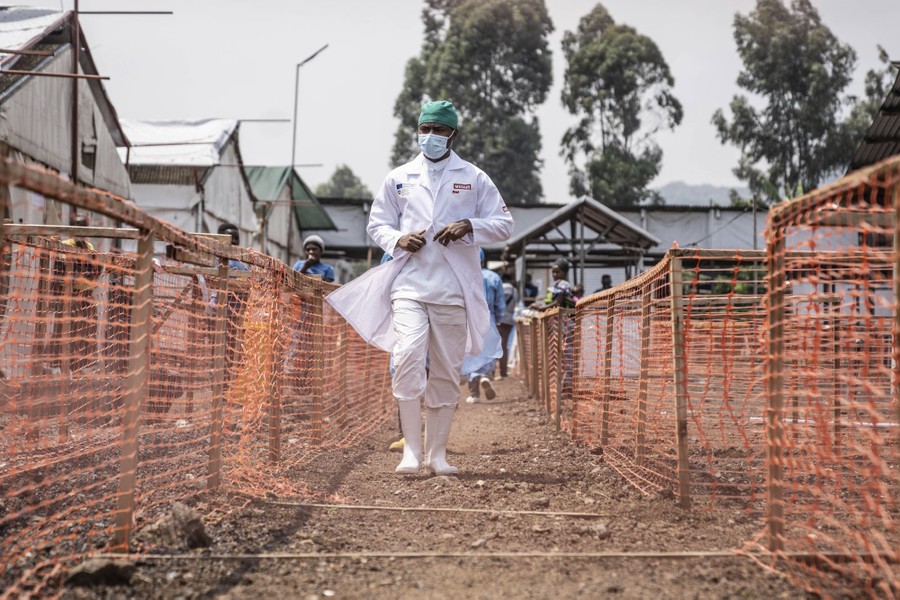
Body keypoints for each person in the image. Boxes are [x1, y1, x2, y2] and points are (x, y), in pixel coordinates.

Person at [327, 99, 514, 476]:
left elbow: (504, 224)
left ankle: (437, 455)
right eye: (424, 129)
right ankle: (410, 452)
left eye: (439, 130)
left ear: (453, 135)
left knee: (446, 370)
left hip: (454, 291)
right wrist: (397, 240)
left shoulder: (474, 177)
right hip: (409, 286)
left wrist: (469, 226)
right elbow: (377, 224)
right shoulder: (399, 177)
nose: (430, 136)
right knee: (409, 357)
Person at [465, 250, 504, 404]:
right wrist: (499, 319)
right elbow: (500, 303)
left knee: (470, 353)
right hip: (489, 318)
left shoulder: (464, 275)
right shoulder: (494, 277)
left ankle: (474, 393)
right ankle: (486, 377)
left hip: (469, 319)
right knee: (488, 351)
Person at [497, 272, 518, 379]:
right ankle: (503, 372)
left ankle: (493, 373)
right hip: (510, 320)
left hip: (500, 318)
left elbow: (498, 303)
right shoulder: (515, 290)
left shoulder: (500, 287)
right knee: (504, 345)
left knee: (497, 345)